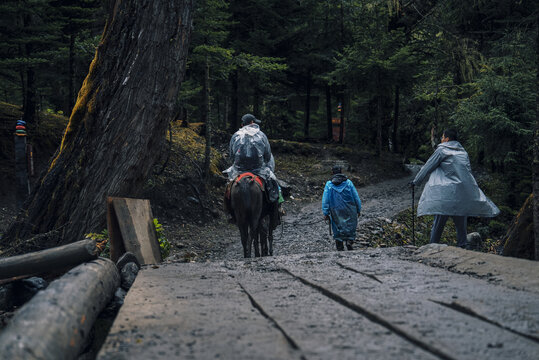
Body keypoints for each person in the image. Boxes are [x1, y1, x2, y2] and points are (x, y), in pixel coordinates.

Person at [409, 129, 499, 248]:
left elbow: (427, 167)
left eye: (442, 137)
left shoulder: (441, 150)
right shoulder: (463, 153)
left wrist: (416, 182)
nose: (441, 140)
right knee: (461, 226)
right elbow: (468, 173)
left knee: (438, 224)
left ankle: (431, 248)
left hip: (446, 195)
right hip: (461, 194)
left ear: (446, 139)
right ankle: (462, 249)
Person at [224, 113, 280, 227]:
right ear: (252, 123)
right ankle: (275, 213)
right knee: (274, 186)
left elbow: (231, 156)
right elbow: (268, 156)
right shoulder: (261, 135)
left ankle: (229, 213)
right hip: (258, 170)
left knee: (228, 188)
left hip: (239, 171)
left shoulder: (235, 135)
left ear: (242, 124)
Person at [322, 165, 362, 251]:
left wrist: (325, 212)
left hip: (335, 209)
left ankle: (339, 244)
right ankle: (349, 240)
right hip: (350, 208)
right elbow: (356, 197)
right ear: (341, 171)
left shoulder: (329, 184)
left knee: (337, 225)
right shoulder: (348, 183)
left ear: (332, 172)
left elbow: (325, 200)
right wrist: (358, 209)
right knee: (350, 224)